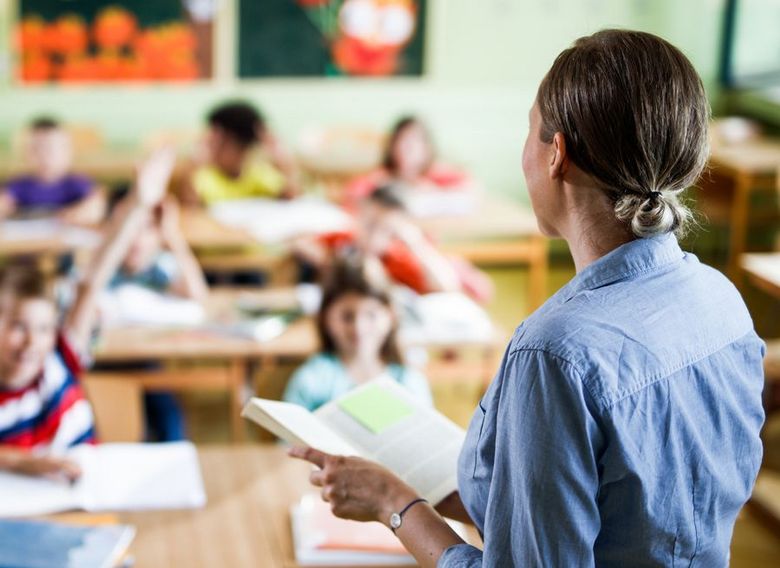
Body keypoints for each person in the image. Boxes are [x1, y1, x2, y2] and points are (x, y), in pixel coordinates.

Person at [289, 30, 766, 566]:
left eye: (530, 129)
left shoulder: (554, 353)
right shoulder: (721, 300)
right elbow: (627, 512)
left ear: (556, 154)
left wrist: (393, 503)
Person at [0, 150, 176, 481]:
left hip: (89, 497)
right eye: (17, 327)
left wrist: (138, 204)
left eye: (42, 328)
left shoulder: (60, 359)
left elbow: (93, 279)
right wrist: (24, 462)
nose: (32, 343)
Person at [294, 185, 493, 303]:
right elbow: (300, 243)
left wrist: (416, 243)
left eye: (386, 230)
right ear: (359, 215)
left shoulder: (394, 258)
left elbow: (446, 286)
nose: (373, 237)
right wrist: (332, 261)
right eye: (370, 225)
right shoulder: (344, 241)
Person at [283, 259, 432, 412]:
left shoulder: (409, 380)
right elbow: (285, 434)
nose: (358, 328)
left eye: (371, 315)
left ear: (391, 316)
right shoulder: (311, 380)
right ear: (324, 318)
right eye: (347, 316)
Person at [342, 116, 478, 213]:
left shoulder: (435, 173)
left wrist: (434, 191)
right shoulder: (381, 177)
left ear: (427, 148)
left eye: (415, 142)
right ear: (392, 146)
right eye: (403, 142)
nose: (409, 148)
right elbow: (352, 195)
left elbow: (471, 187)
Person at [181, 101, 299, 207]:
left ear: (244, 147)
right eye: (211, 143)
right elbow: (189, 206)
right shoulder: (204, 176)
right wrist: (193, 165)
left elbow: (291, 198)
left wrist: (284, 163)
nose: (215, 150)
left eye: (221, 144)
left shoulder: (258, 174)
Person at [0, 117, 106, 225]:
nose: (43, 156)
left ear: (67, 151)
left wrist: (75, 214)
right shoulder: (19, 184)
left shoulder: (77, 183)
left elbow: (95, 210)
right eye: (36, 149)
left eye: (51, 149)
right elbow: (3, 204)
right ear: (25, 153)